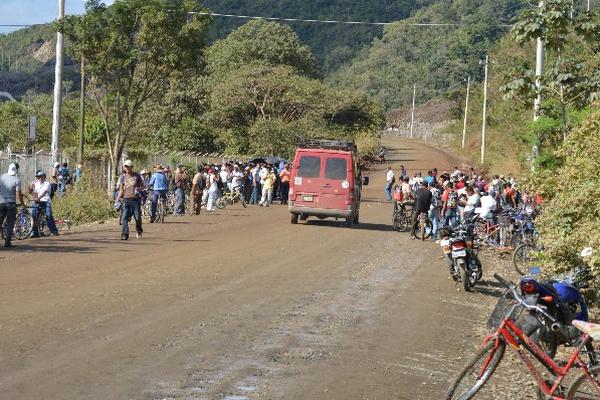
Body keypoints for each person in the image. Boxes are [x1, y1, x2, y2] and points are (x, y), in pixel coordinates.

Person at [116, 160, 144, 240]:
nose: (127, 168)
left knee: (137, 217)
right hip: (126, 199)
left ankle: (139, 230)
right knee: (124, 218)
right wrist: (118, 199)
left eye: (128, 166)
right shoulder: (123, 177)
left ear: (132, 167)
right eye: (126, 166)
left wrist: (138, 189)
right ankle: (125, 234)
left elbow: (143, 186)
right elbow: (121, 189)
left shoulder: (137, 176)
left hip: (135, 200)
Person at [0, 163, 25, 248]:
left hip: (1, 203)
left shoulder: (1, 177)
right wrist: (22, 203)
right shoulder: (16, 180)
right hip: (11, 204)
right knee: (10, 223)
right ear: (16, 170)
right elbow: (19, 194)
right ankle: (7, 242)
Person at [29, 171, 59, 238]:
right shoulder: (36, 184)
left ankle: (54, 231)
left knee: (49, 215)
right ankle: (35, 232)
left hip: (45, 202)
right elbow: (32, 192)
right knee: (33, 215)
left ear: (44, 177)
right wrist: (30, 188)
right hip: (37, 202)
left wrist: (38, 198)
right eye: (38, 177)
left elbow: (44, 192)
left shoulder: (47, 183)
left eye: (41, 177)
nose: (39, 178)